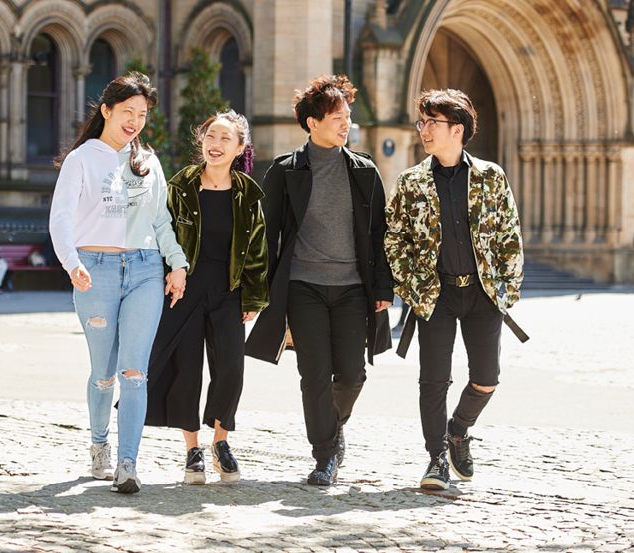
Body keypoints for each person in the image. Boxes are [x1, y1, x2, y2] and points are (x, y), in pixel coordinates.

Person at [245, 75, 394, 486]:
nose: (346, 124)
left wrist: (383, 288)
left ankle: (332, 426)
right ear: (312, 122)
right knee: (314, 373)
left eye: (348, 117)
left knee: (352, 374)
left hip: (351, 288)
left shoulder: (364, 171)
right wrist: (258, 292)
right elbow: (266, 235)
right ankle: (325, 455)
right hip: (302, 286)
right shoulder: (285, 170)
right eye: (337, 117)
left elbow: (380, 233)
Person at [49, 72, 189, 494]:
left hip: (145, 269)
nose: (134, 120)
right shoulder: (81, 160)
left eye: (142, 114)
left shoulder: (147, 161)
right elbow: (61, 219)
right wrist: (72, 263)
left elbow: (160, 220)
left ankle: (127, 463)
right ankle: (99, 444)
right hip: (95, 270)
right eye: (127, 111)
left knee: (134, 373)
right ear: (106, 110)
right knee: (103, 373)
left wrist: (177, 264)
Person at [384, 88, 525, 491]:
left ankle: (458, 431)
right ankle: (436, 461)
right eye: (422, 122)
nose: (424, 130)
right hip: (436, 295)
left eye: (433, 122)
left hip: (482, 294)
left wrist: (504, 288)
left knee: (486, 379)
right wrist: (416, 286)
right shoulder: (411, 182)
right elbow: (395, 241)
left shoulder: (490, 176)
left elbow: (509, 234)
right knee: (433, 381)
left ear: (457, 129)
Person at [145, 110, 269, 485]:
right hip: (184, 290)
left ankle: (221, 443)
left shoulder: (248, 193)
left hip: (229, 292)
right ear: (201, 141)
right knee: (186, 369)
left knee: (231, 366)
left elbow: (258, 250)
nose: (216, 145)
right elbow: (160, 236)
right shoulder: (180, 188)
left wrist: (254, 297)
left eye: (225, 139)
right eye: (210, 136)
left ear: (239, 148)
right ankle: (192, 450)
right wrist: (168, 275)